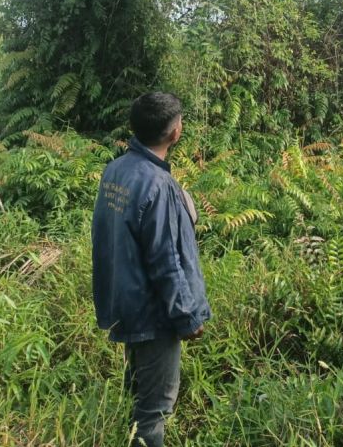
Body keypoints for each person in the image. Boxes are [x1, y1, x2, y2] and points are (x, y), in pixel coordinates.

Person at [92, 92, 211, 447]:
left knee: (138, 391)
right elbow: (166, 261)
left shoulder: (116, 169)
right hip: (153, 315)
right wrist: (188, 316)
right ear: (175, 132)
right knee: (154, 411)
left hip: (124, 302)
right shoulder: (158, 185)